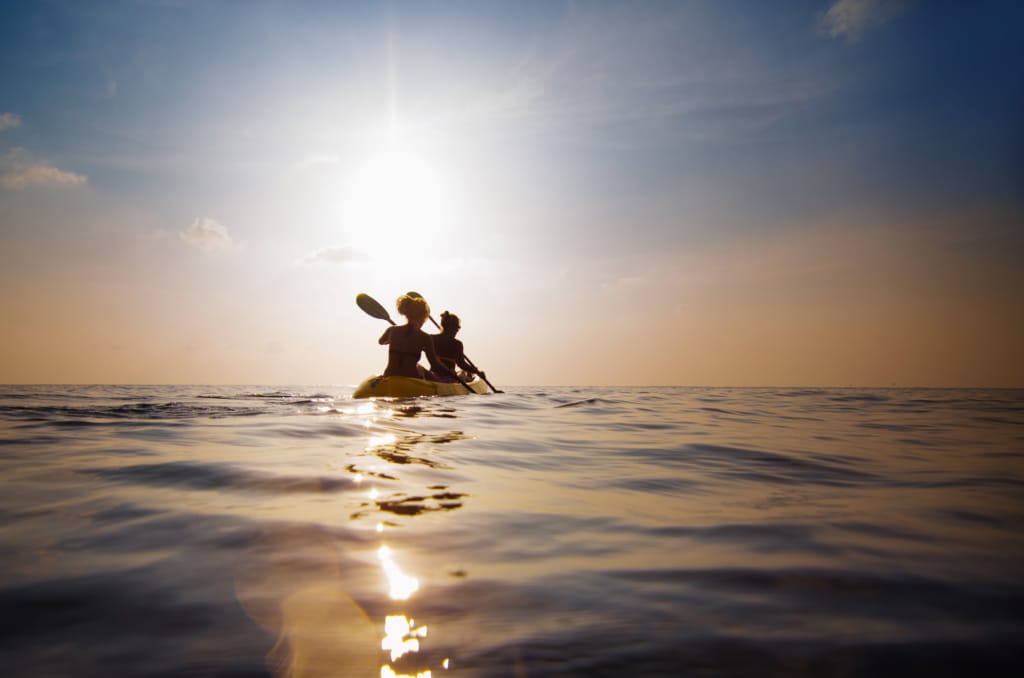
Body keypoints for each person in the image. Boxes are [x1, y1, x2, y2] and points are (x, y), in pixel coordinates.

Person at [378, 293, 450, 379]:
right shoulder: (425, 337)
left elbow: (381, 341)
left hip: (390, 375)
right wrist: (449, 371)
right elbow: (434, 363)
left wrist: (391, 340)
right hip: (411, 377)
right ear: (422, 317)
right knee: (429, 375)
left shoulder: (392, 330)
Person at [431, 311, 484, 383]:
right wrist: (476, 371)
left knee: (462, 373)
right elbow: (461, 364)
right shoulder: (457, 344)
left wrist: (475, 371)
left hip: (432, 376)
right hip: (449, 378)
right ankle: (468, 377)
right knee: (463, 374)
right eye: (457, 328)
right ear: (453, 328)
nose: (457, 331)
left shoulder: (431, 339)